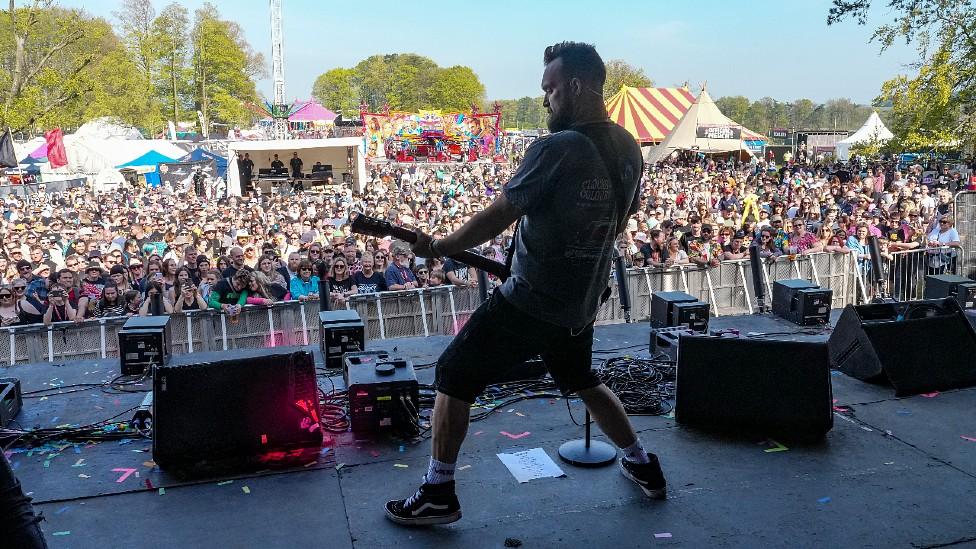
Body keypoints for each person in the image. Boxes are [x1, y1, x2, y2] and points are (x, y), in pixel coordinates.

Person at [385, 42, 665, 527]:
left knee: (452, 375)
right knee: (585, 380)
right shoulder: (628, 147)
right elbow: (622, 216)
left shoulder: (557, 148)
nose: (546, 100)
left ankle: (438, 491)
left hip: (531, 301)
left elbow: (501, 212)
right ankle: (644, 465)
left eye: (550, 89)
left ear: (576, 87)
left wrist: (440, 245)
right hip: (581, 301)